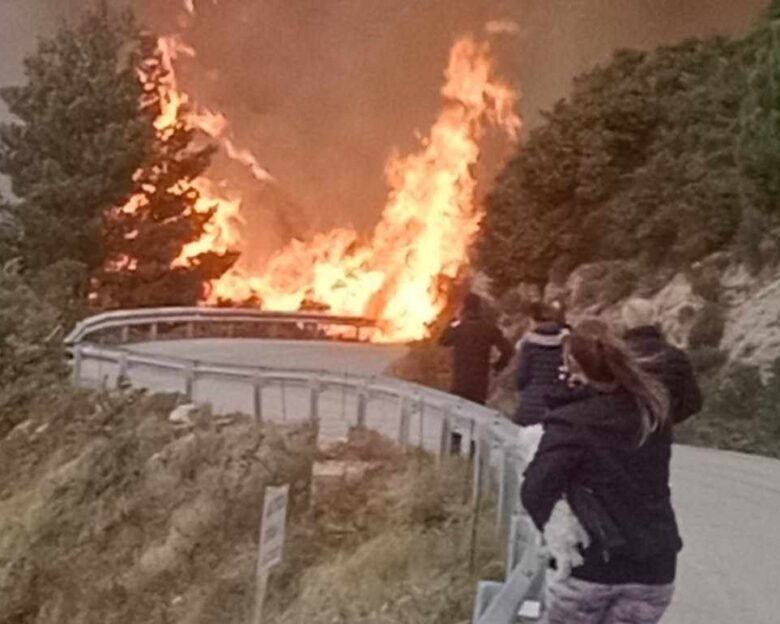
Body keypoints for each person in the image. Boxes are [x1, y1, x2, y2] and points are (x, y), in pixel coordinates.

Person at [521, 319, 681, 624]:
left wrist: (559, 540)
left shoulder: (571, 422)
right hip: (655, 569)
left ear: (572, 363)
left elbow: (536, 489)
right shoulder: (652, 410)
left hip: (593, 567)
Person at [622, 298, 702, 424]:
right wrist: (665, 420)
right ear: (654, 319)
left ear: (626, 322)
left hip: (622, 434)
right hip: (660, 436)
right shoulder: (675, 356)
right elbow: (693, 402)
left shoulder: (616, 356)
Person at [438, 293, 513, 405]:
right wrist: (498, 366)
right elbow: (508, 350)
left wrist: (452, 322)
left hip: (460, 381)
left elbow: (442, 341)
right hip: (479, 383)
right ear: (479, 308)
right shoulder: (489, 328)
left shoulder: (458, 328)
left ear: (463, 308)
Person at [514, 300, 569, 426]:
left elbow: (521, 378)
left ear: (534, 320)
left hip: (530, 402)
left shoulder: (529, 345)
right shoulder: (562, 342)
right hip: (553, 403)